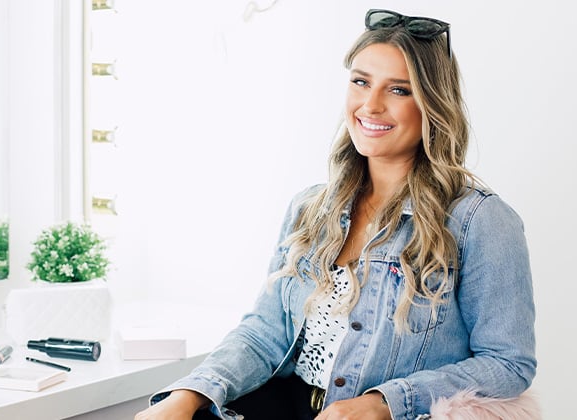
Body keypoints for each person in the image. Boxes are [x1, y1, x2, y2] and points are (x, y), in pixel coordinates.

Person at [135, 9, 536, 420]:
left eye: (398, 90)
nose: (371, 105)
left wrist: (383, 402)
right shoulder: (310, 209)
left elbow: (508, 364)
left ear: (433, 103)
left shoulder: (479, 221)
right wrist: (188, 395)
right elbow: (265, 333)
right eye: (361, 82)